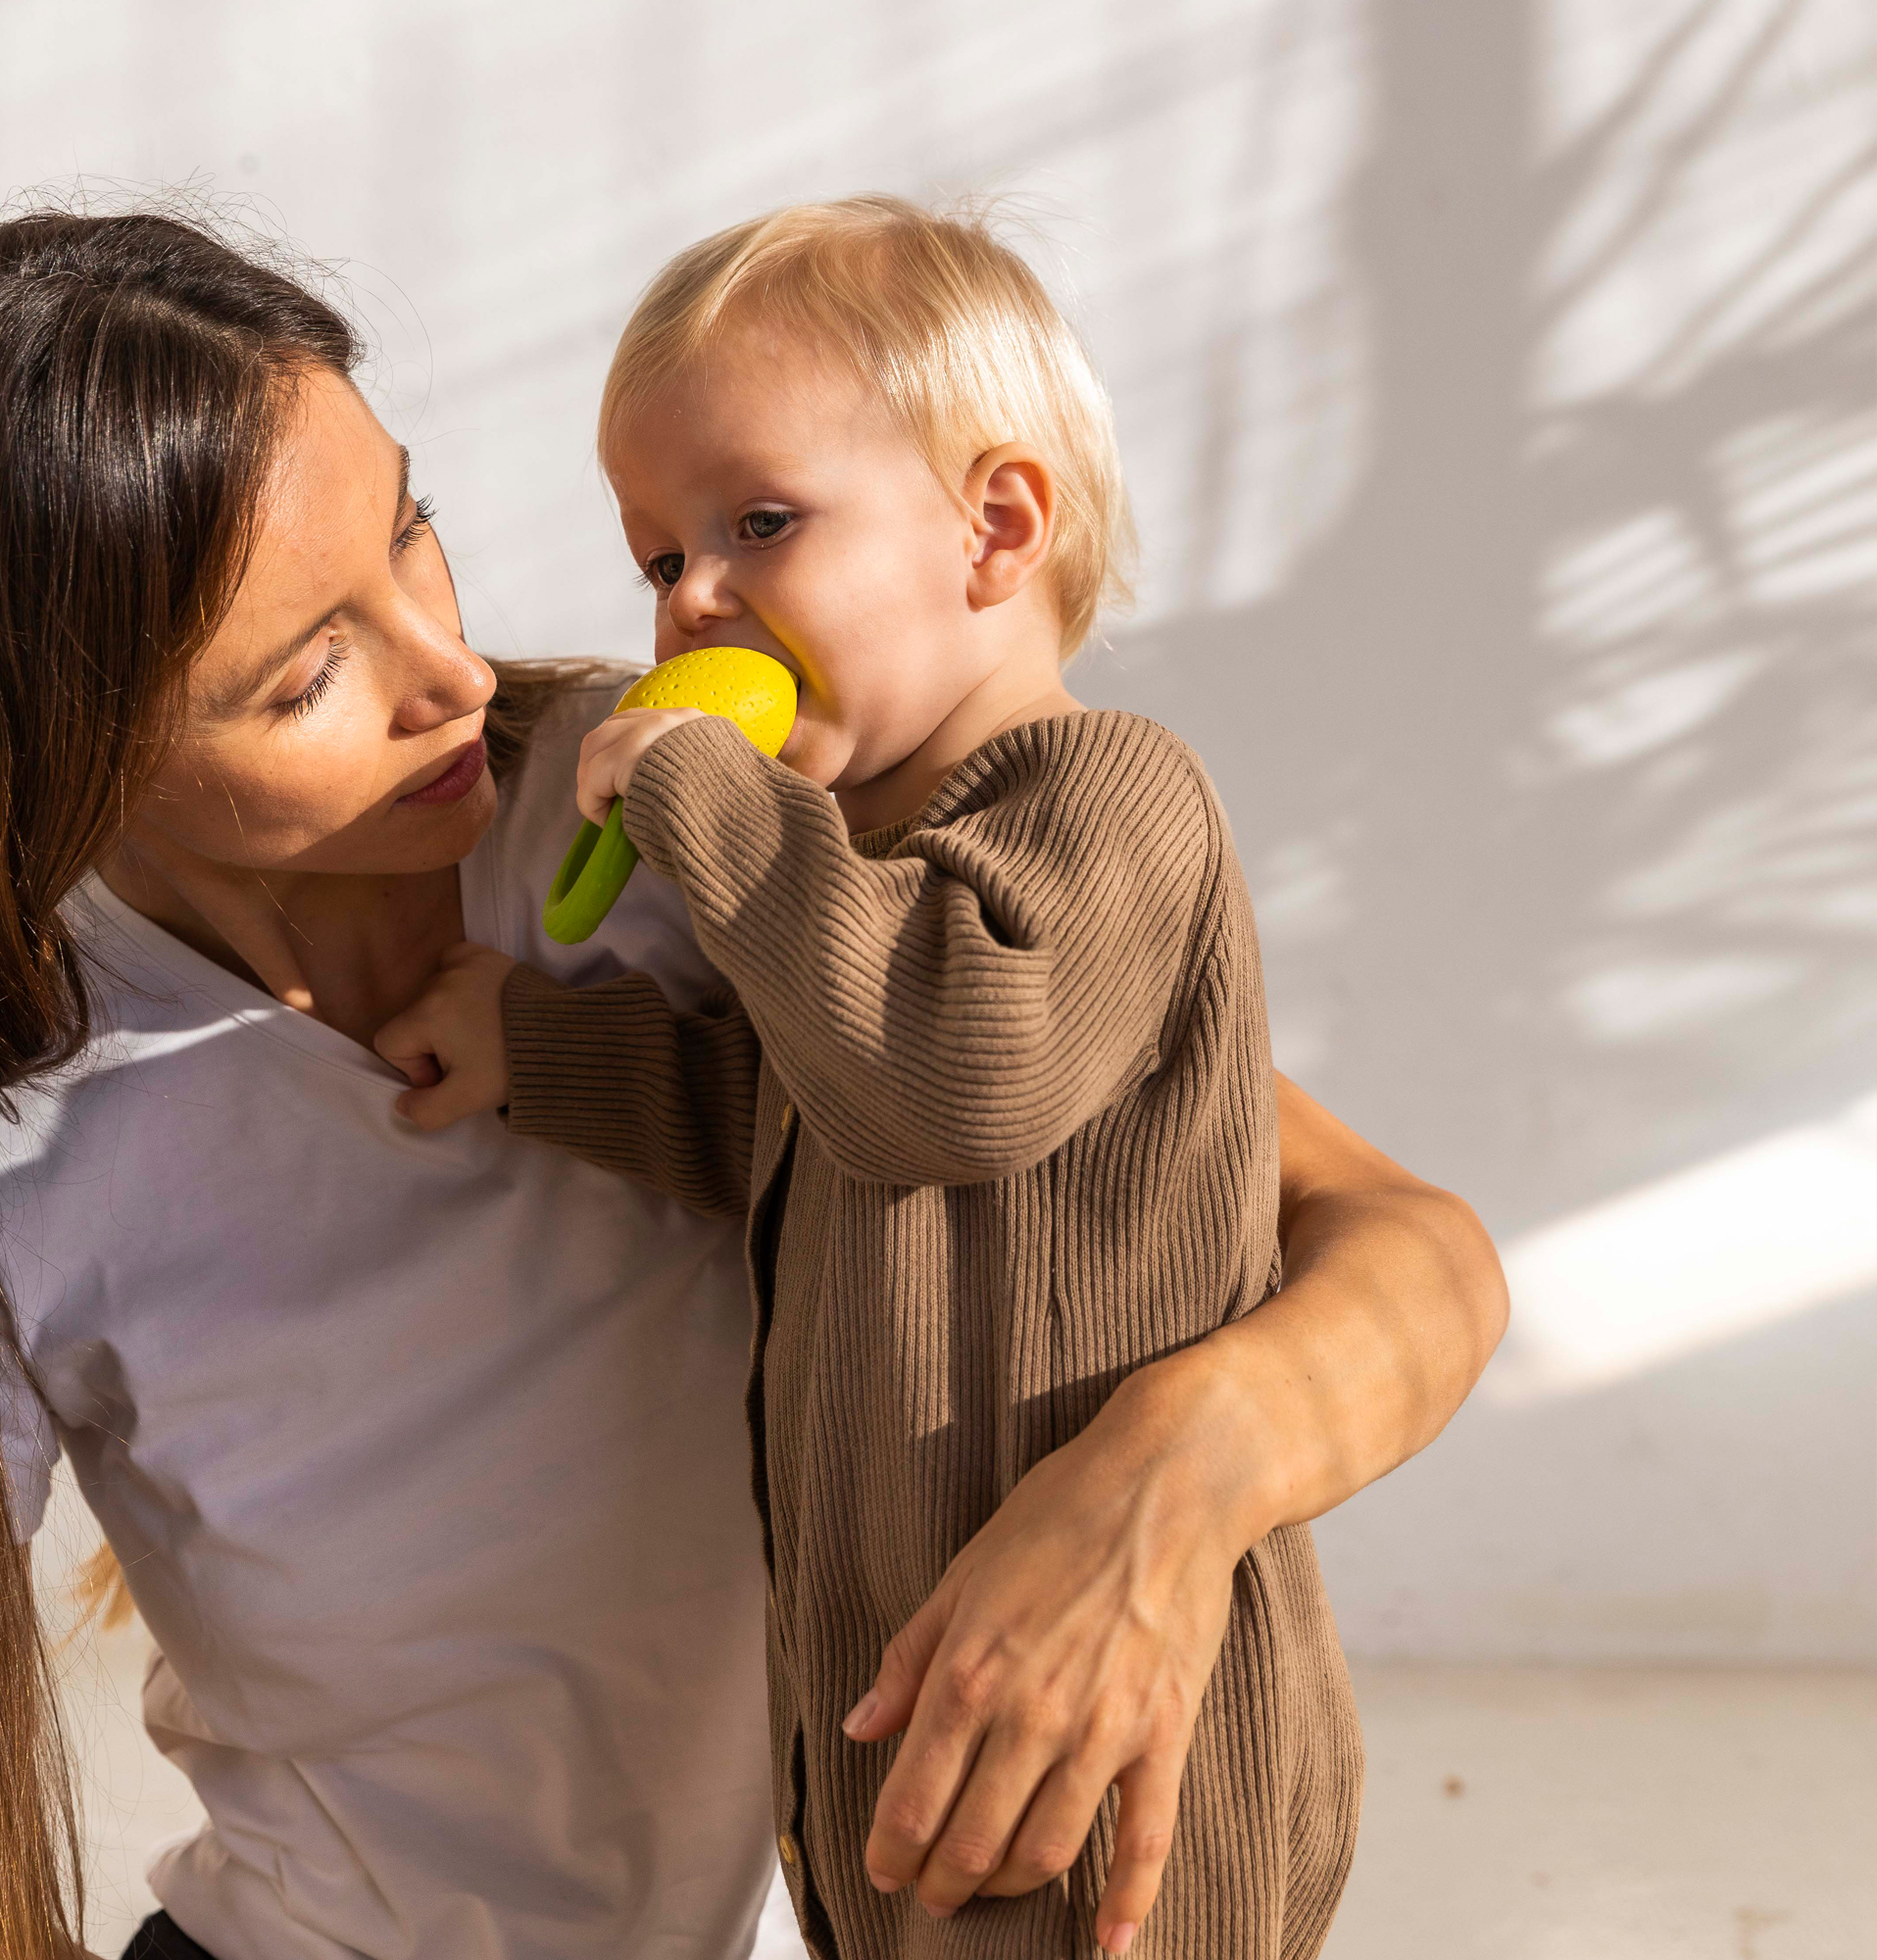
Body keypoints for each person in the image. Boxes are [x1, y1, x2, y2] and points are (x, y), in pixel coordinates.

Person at [0, 205, 1506, 1960]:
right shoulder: (8, 1139)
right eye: (307, 674)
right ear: (68, 753)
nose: (454, 674)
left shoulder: (707, 818)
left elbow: (1400, 1243)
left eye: (412, 529)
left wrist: (1178, 1472)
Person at [375, 198, 1448, 1960]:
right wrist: (540, 1048)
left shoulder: (1111, 800)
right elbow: (791, 1129)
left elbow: (950, 1081)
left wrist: (722, 815)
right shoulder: (853, 901)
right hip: (895, 1724)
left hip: (1122, 1774)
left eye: (761, 524)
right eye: (659, 560)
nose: (696, 599)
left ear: (997, 526)